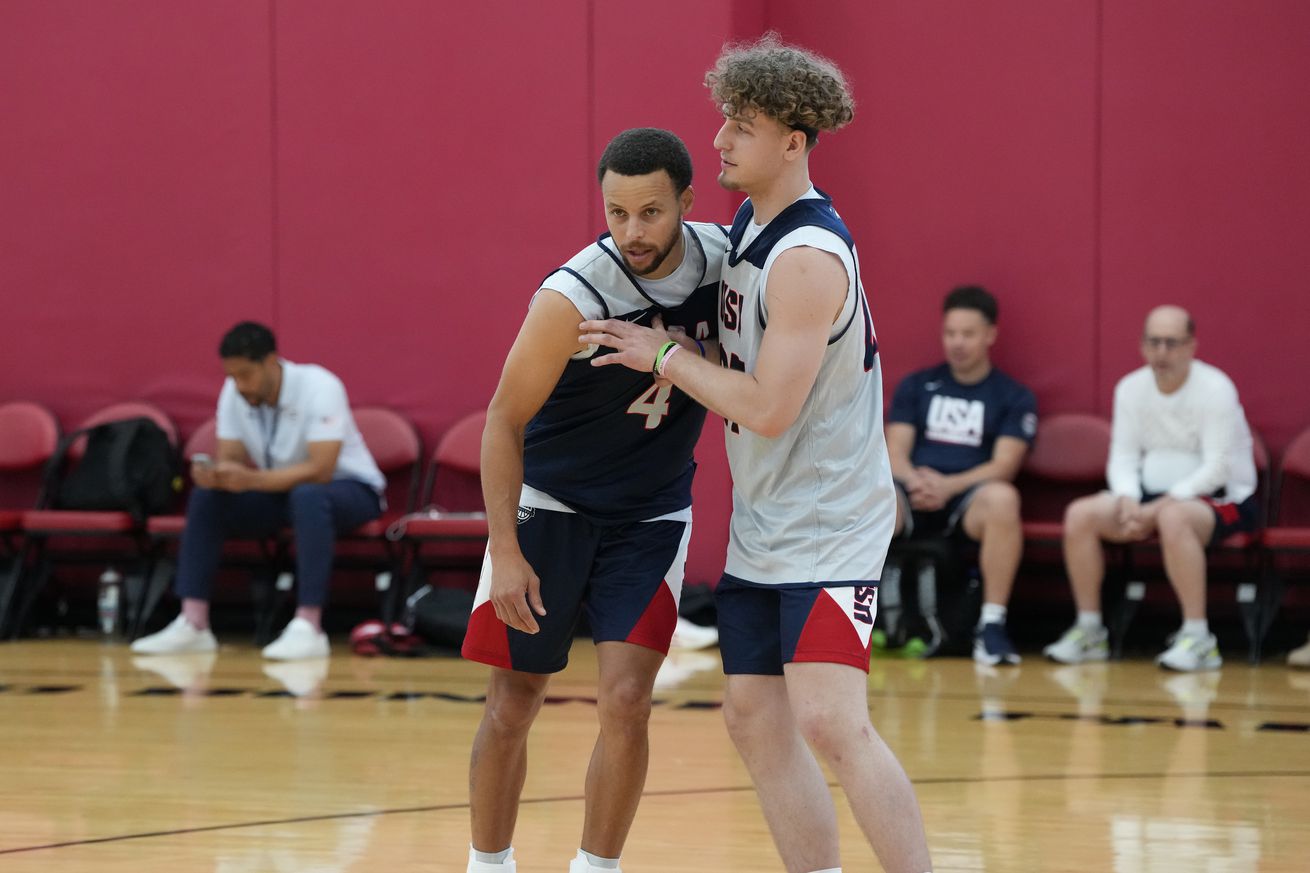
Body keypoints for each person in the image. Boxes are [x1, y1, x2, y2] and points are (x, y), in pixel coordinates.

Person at [580, 36, 933, 873]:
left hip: (831, 517)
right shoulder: (750, 221)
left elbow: (771, 409)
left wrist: (659, 355)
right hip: (768, 515)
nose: (720, 141)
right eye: (724, 121)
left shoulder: (806, 257)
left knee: (830, 721)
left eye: (741, 126)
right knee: (752, 713)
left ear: (793, 142)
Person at [462, 128, 727, 873]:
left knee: (628, 701)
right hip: (549, 509)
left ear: (686, 202)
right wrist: (506, 551)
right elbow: (501, 420)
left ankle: (597, 867)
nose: (632, 231)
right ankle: (488, 864)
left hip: (650, 517)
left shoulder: (727, 262)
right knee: (512, 703)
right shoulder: (573, 294)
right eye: (616, 212)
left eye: (650, 212)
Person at [131, 321, 385, 660]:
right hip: (285, 491)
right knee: (208, 498)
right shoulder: (234, 393)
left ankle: (309, 625)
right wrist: (217, 475)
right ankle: (193, 623)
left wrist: (249, 480)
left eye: (245, 375)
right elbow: (232, 457)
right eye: (232, 376)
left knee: (309, 495)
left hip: (350, 490)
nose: (238, 385)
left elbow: (321, 470)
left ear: (270, 362)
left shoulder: (320, 386)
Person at [1043, 305, 1259, 672]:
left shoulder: (1216, 388)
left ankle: (1198, 637)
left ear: (1192, 346)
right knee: (1081, 514)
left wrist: (1156, 510)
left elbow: (1216, 468)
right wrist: (1128, 499)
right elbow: (1123, 457)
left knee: (1174, 518)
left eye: (1172, 343)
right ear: (1142, 346)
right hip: (1150, 496)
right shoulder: (1130, 388)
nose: (1162, 352)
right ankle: (1090, 630)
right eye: (1154, 342)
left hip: (1225, 500)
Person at [886, 285, 1037, 666]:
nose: (957, 343)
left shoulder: (1012, 396)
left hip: (966, 499)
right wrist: (915, 480)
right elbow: (893, 451)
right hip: (912, 492)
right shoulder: (917, 385)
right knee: (869, 496)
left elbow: (1004, 465)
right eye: (950, 333)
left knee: (1004, 498)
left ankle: (991, 626)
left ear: (990, 335)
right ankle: (861, 617)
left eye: (967, 334)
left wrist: (947, 486)